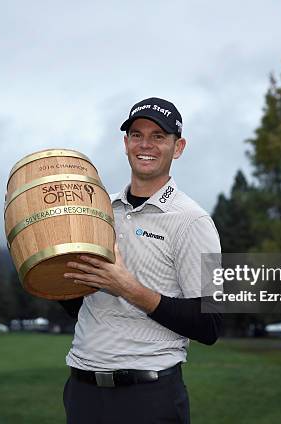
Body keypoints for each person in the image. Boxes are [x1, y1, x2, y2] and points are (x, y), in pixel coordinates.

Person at [59, 97, 222, 423]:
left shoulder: (193, 221)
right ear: (126, 143)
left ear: (178, 147)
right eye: (137, 134)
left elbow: (210, 324)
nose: (145, 144)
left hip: (148, 397)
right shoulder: (101, 211)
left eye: (158, 136)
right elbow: (85, 306)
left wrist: (129, 288)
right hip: (83, 390)